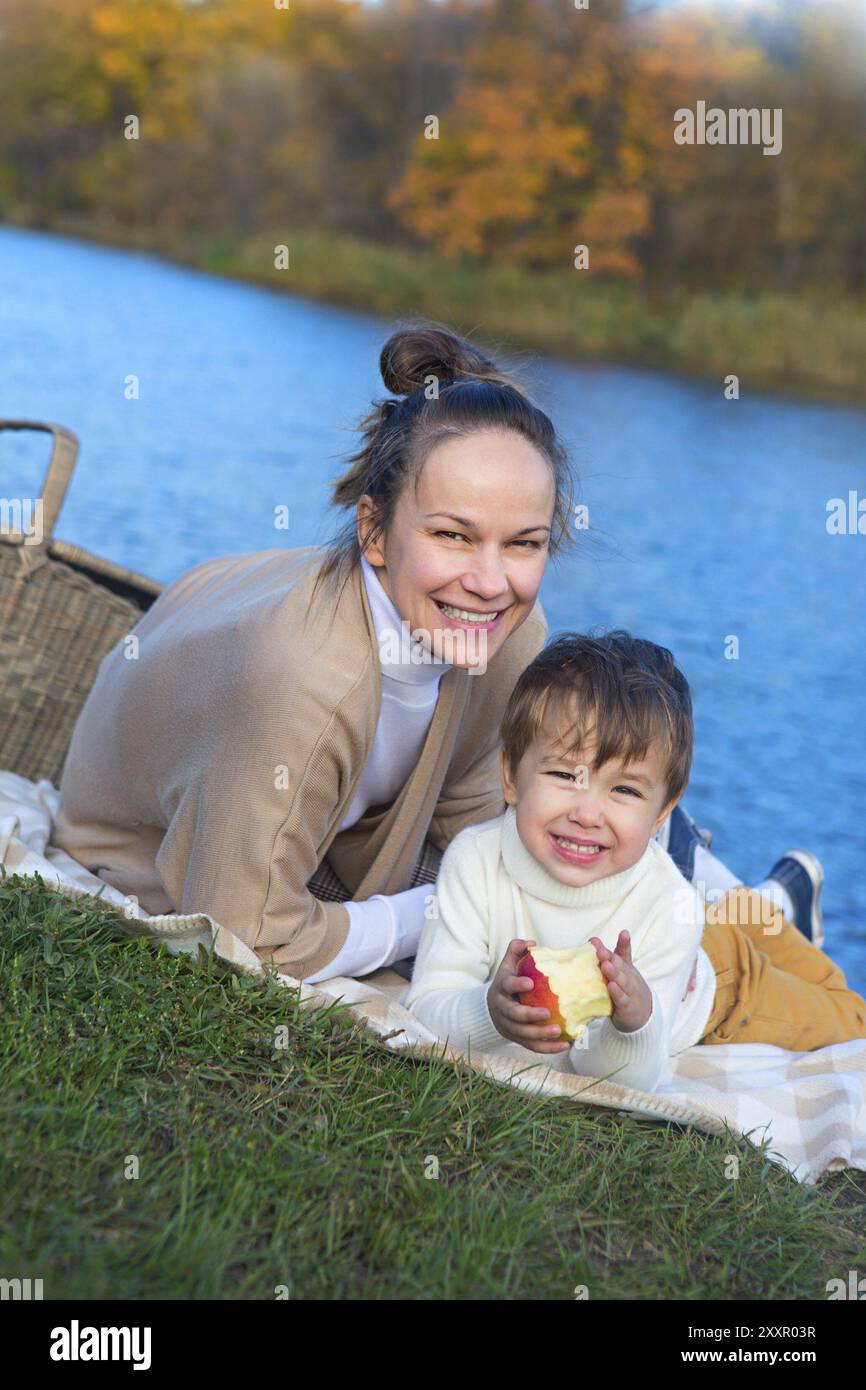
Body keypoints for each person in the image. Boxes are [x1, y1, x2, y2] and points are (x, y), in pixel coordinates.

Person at [52, 321, 818, 985]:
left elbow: (486, 834)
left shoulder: (510, 633)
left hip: (344, 837)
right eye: (452, 535)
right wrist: (433, 914)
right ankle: (738, 904)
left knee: (578, 898)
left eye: (525, 544)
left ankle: (740, 899)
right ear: (375, 532)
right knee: (555, 932)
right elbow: (242, 932)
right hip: (150, 840)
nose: (489, 584)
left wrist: (495, 894)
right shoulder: (302, 683)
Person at [405, 632, 866, 1090]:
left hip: (726, 985)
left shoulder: (667, 907)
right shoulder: (474, 864)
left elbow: (633, 1077)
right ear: (509, 774)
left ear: (663, 812)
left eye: (624, 790)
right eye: (565, 774)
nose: (586, 814)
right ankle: (763, 904)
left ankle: (769, 912)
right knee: (719, 912)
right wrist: (488, 1013)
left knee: (851, 1021)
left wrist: (635, 1023)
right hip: (692, 914)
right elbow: (427, 1007)